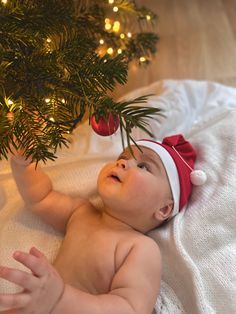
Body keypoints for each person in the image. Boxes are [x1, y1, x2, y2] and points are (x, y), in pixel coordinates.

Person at [0, 134, 202, 314]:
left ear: (164, 209)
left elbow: (131, 308)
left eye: (143, 166)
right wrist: (24, 165)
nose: (123, 163)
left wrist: (61, 298)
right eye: (122, 157)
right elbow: (41, 198)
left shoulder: (139, 248)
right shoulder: (81, 213)